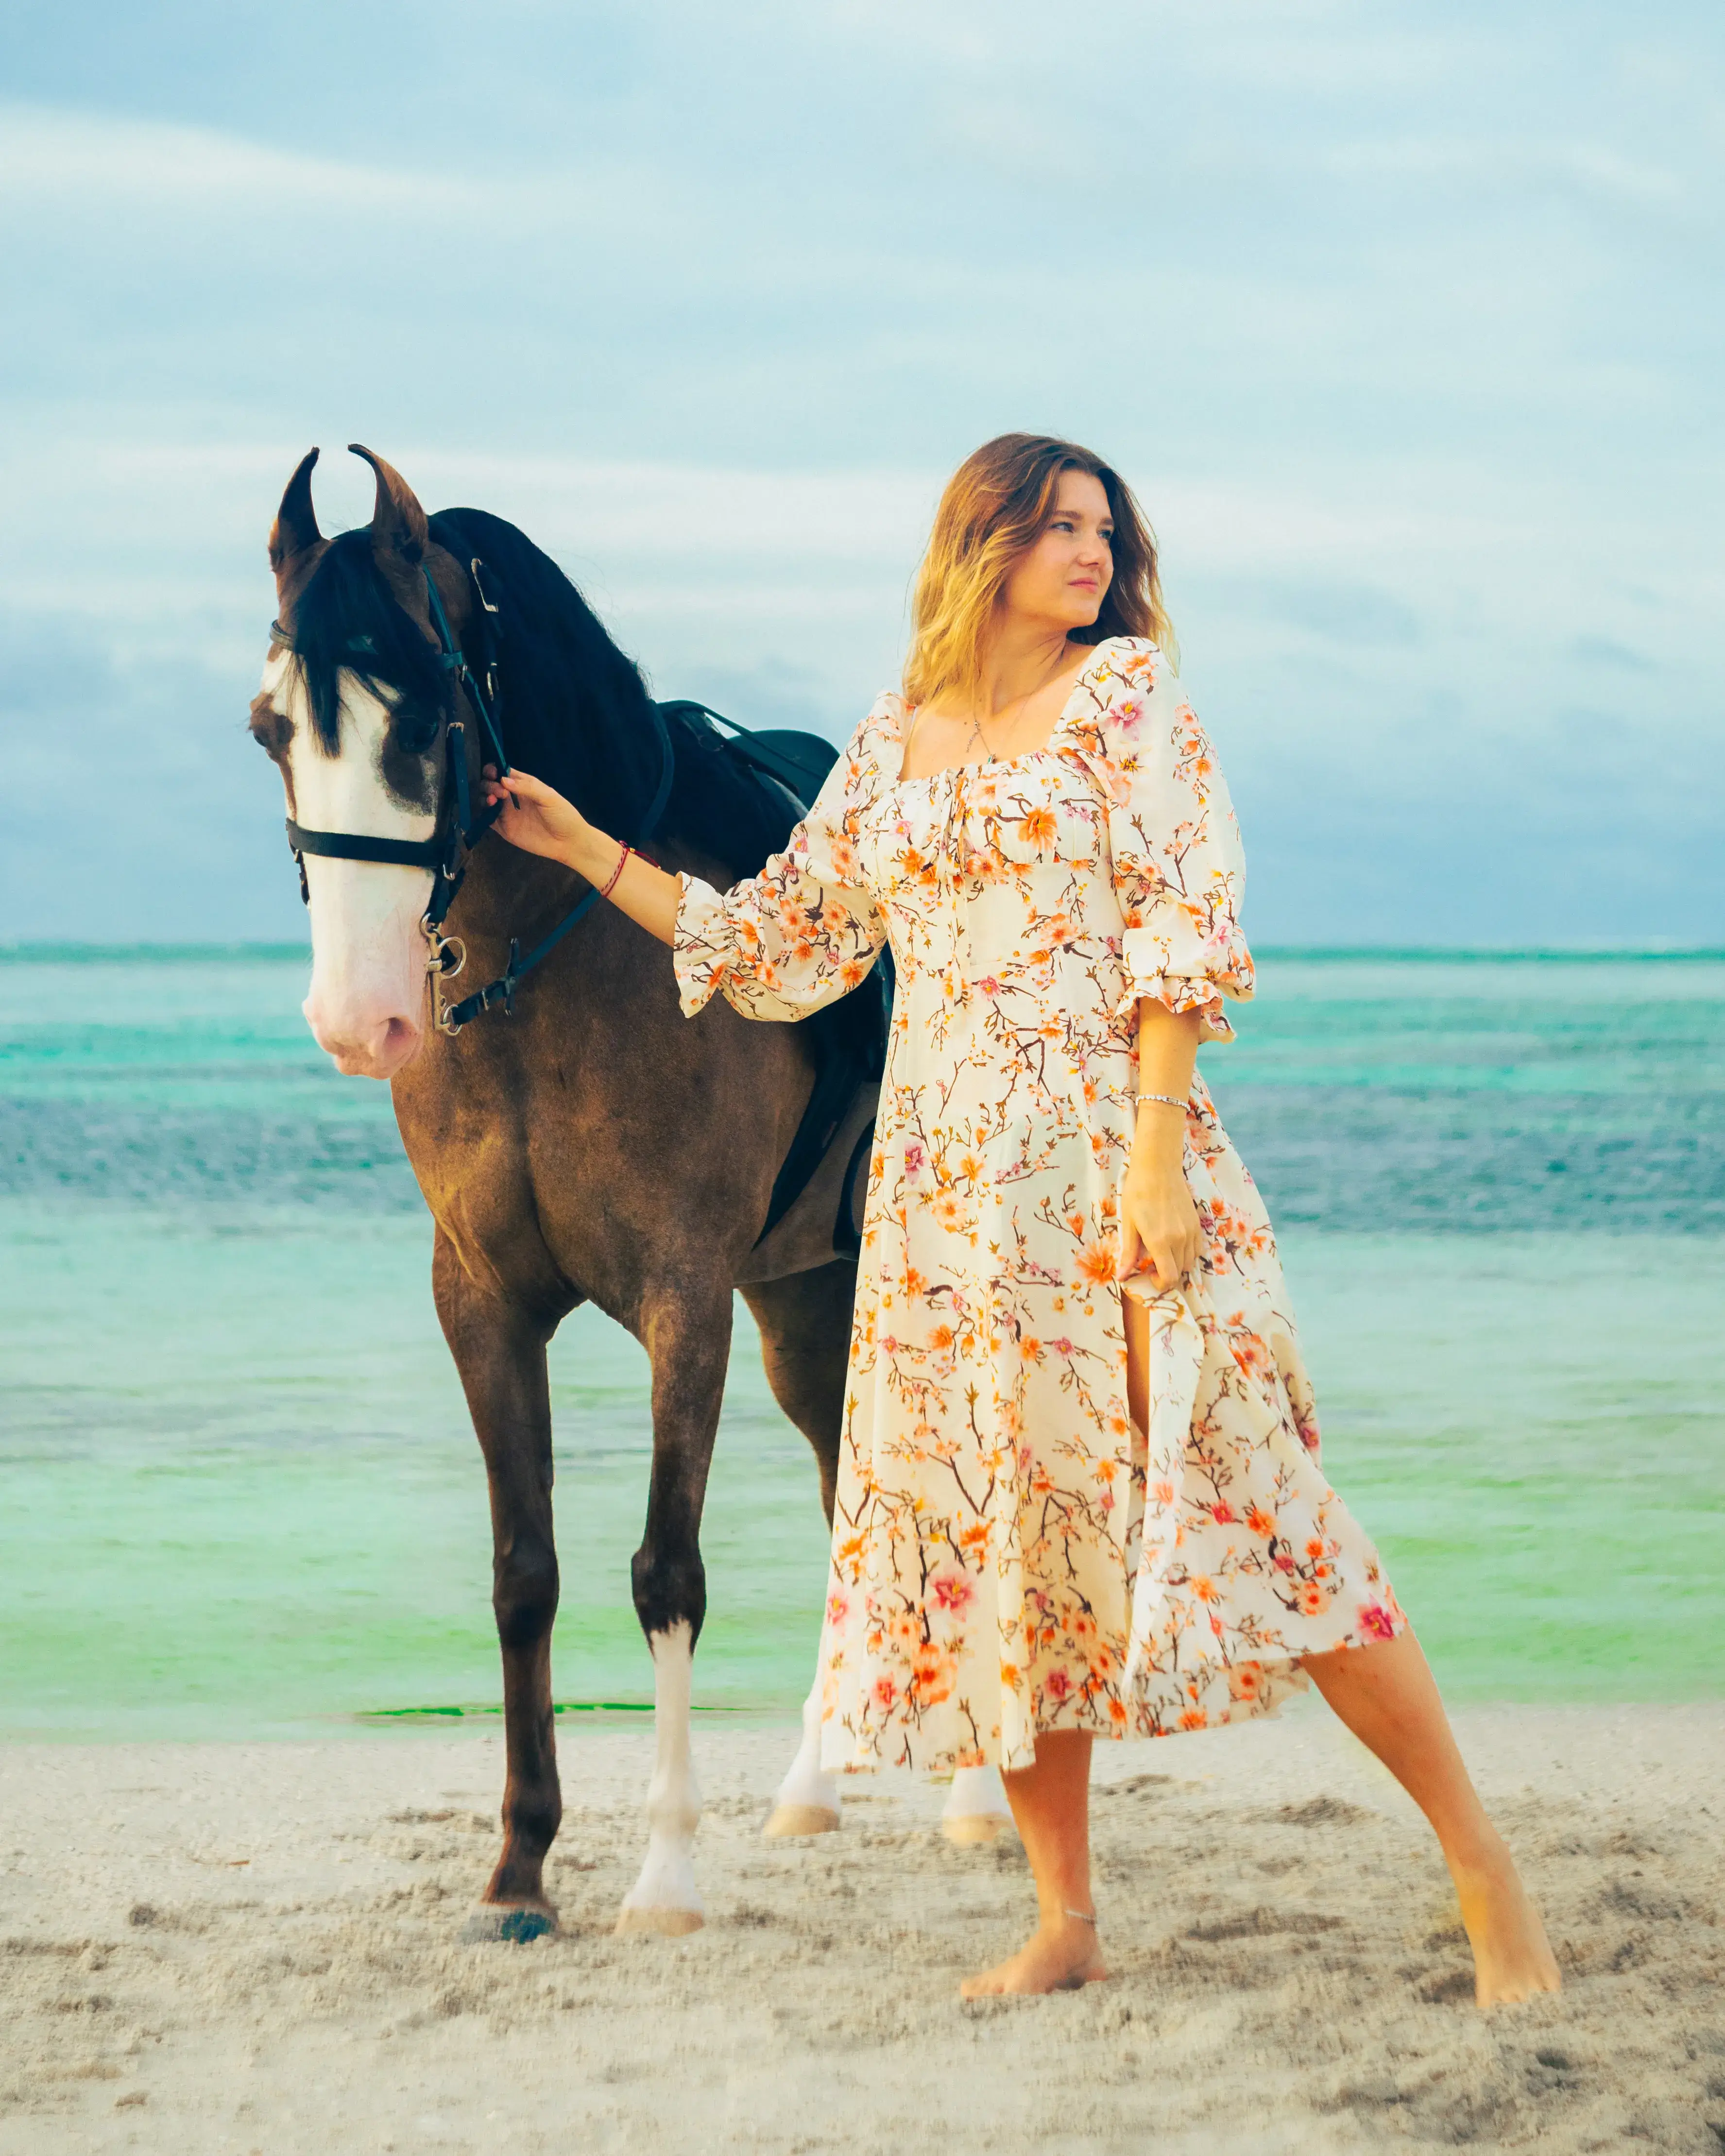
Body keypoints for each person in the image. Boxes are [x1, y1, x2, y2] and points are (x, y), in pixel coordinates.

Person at [480, 432, 1561, 2007]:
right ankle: (1065, 1914)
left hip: (1115, 1164)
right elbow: (783, 947)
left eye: (1105, 533)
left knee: (1266, 1505)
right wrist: (585, 848)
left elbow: (1188, 924)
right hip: (942, 1204)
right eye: (1057, 527)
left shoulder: (1130, 704)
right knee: (1020, 1549)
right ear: (973, 542)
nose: (1092, 557)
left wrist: (1146, 1167)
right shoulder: (892, 738)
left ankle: (1480, 1861)